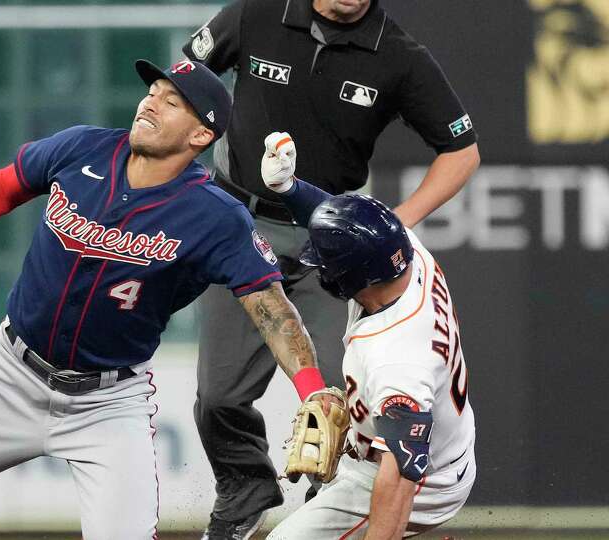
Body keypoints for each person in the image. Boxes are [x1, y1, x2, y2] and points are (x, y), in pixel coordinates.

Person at [0, 59, 338, 540]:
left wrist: (312, 388)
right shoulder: (83, 150)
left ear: (202, 134)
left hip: (106, 406)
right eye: (152, 92)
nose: (151, 103)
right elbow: (1, 188)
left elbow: (271, 310)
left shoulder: (216, 217)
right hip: (8, 378)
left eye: (173, 102)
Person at [183, 0, 481, 534]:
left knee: (340, 399)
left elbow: (462, 151)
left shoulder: (397, 52)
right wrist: (179, 174)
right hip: (239, 222)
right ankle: (245, 490)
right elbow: (188, 84)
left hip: (332, 240)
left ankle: (328, 502)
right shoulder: (256, 12)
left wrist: (399, 223)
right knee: (219, 397)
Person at [262, 134, 476, 539]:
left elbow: (402, 473)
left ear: (350, 277)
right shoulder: (401, 248)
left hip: (424, 480)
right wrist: (290, 189)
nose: (320, 265)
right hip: (442, 448)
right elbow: (344, 228)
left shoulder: (396, 359)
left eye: (325, 263)